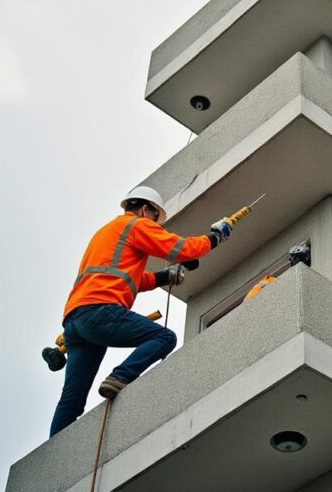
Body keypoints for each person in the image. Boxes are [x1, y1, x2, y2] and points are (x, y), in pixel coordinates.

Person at [49, 186, 232, 437]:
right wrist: (215, 237)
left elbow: (129, 279)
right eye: (156, 218)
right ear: (146, 209)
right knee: (164, 338)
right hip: (100, 311)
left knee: (71, 400)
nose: (156, 224)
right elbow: (183, 249)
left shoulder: (106, 232)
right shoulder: (137, 226)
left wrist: (163, 277)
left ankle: (51, 458)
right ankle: (119, 376)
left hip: (75, 321)